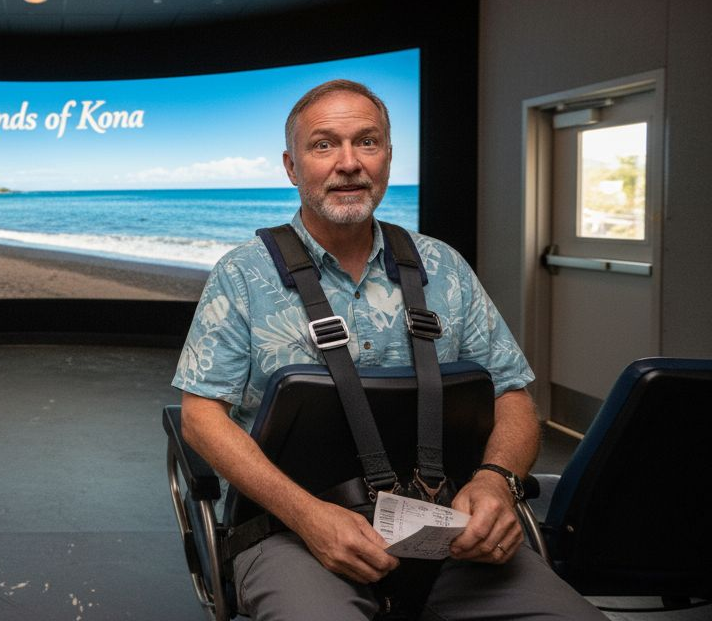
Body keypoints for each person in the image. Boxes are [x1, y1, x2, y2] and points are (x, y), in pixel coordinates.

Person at [173, 79, 603, 619]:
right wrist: (307, 515)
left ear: (389, 157)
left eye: (367, 142)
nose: (349, 163)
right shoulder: (241, 275)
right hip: (292, 531)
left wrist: (497, 482)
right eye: (324, 145)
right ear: (291, 166)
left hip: (450, 529)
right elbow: (201, 418)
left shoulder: (443, 266)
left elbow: (511, 397)